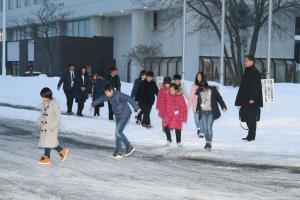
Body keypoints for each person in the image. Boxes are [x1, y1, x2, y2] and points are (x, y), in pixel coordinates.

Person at [90, 84, 141, 159]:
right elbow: (101, 99)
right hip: (118, 116)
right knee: (117, 133)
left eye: (107, 93)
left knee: (118, 132)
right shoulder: (108, 96)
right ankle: (118, 152)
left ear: (111, 91)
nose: (106, 94)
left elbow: (129, 98)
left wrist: (136, 107)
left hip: (125, 114)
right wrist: (93, 104)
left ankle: (128, 147)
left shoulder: (119, 95)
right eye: (105, 93)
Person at [37, 87, 68, 165]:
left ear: (48, 96)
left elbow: (58, 116)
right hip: (45, 127)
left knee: (48, 142)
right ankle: (62, 151)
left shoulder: (54, 103)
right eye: (42, 97)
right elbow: (42, 114)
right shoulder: (45, 103)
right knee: (50, 142)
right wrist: (39, 122)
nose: (43, 99)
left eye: (44, 97)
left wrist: (54, 125)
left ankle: (47, 157)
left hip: (51, 127)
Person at [235, 55, 263, 142]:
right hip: (245, 99)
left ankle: (252, 136)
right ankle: (249, 135)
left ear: (252, 62)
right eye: (244, 61)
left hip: (251, 100)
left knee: (251, 118)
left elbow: (256, 87)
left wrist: (253, 98)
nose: (244, 62)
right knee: (246, 117)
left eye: (246, 61)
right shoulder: (247, 71)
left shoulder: (255, 72)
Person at [196, 80, 227, 150]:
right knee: (205, 129)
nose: (203, 90)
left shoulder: (213, 90)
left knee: (209, 128)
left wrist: (223, 106)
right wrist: (198, 109)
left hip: (211, 112)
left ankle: (209, 143)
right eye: (202, 89)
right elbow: (199, 101)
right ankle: (207, 142)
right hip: (203, 112)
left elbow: (219, 98)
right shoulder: (200, 92)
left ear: (207, 87)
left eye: (204, 88)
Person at [163, 83, 187, 148]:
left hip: (177, 116)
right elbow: (165, 104)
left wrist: (183, 116)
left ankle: (178, 142)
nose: (171, 91)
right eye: (170, 90)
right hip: (169, 115)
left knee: (178, 129)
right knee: (166, 127)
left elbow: (184, 107)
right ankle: (169, 140)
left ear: (176, 90)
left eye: (173, 90)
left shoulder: (180, 97)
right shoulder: (168, 96)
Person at [187, 72, 206, 138]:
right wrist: (188, 107)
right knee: (196, 119)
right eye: (198, 76)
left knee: (201, 119)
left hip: (203, 106)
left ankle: (201, 132)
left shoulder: (205, 85)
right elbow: (191, 96)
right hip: (195, 106)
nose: (199, 78)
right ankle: (198, 128)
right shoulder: (194, 86)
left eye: (200, 76)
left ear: (202, 77)